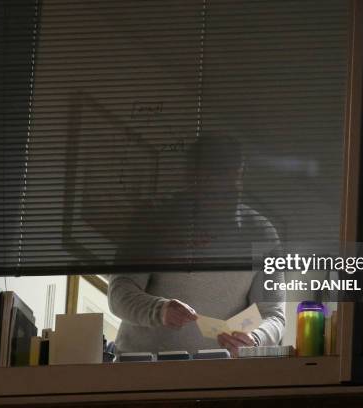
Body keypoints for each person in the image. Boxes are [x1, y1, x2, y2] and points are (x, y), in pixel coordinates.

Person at [108, 134, 285, 356]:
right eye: (214, 187)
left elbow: (272, 314)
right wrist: (160, 310)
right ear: (191, 179)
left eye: (233, 185)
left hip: (221, 374)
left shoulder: (262, 233)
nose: (226, 197)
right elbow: (119, 293)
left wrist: (256, 339)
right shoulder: (153, 219)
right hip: (143, 368)